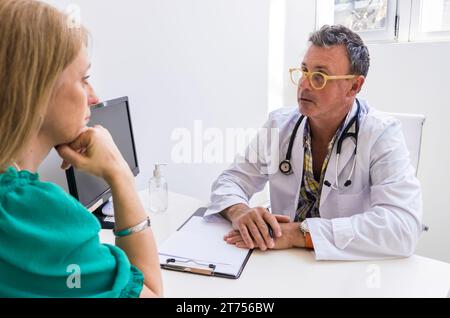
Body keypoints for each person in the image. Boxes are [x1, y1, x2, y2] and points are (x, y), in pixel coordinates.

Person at [205, 25, 423, 261]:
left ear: (354, 86)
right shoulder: (280, 124)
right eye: (304, 71)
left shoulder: (381, 134)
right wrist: (240, 211)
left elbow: (403, 227)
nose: (305, 85)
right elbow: (231, 180)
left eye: (320, 76)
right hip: (282, 261)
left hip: (347, 268)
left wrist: (297, 234)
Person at [0, 0, 162, 297]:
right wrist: (119, 173)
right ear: (37, 90)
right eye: (84, 79)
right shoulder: (28, 215)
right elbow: (151, 291)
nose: (94, 97)